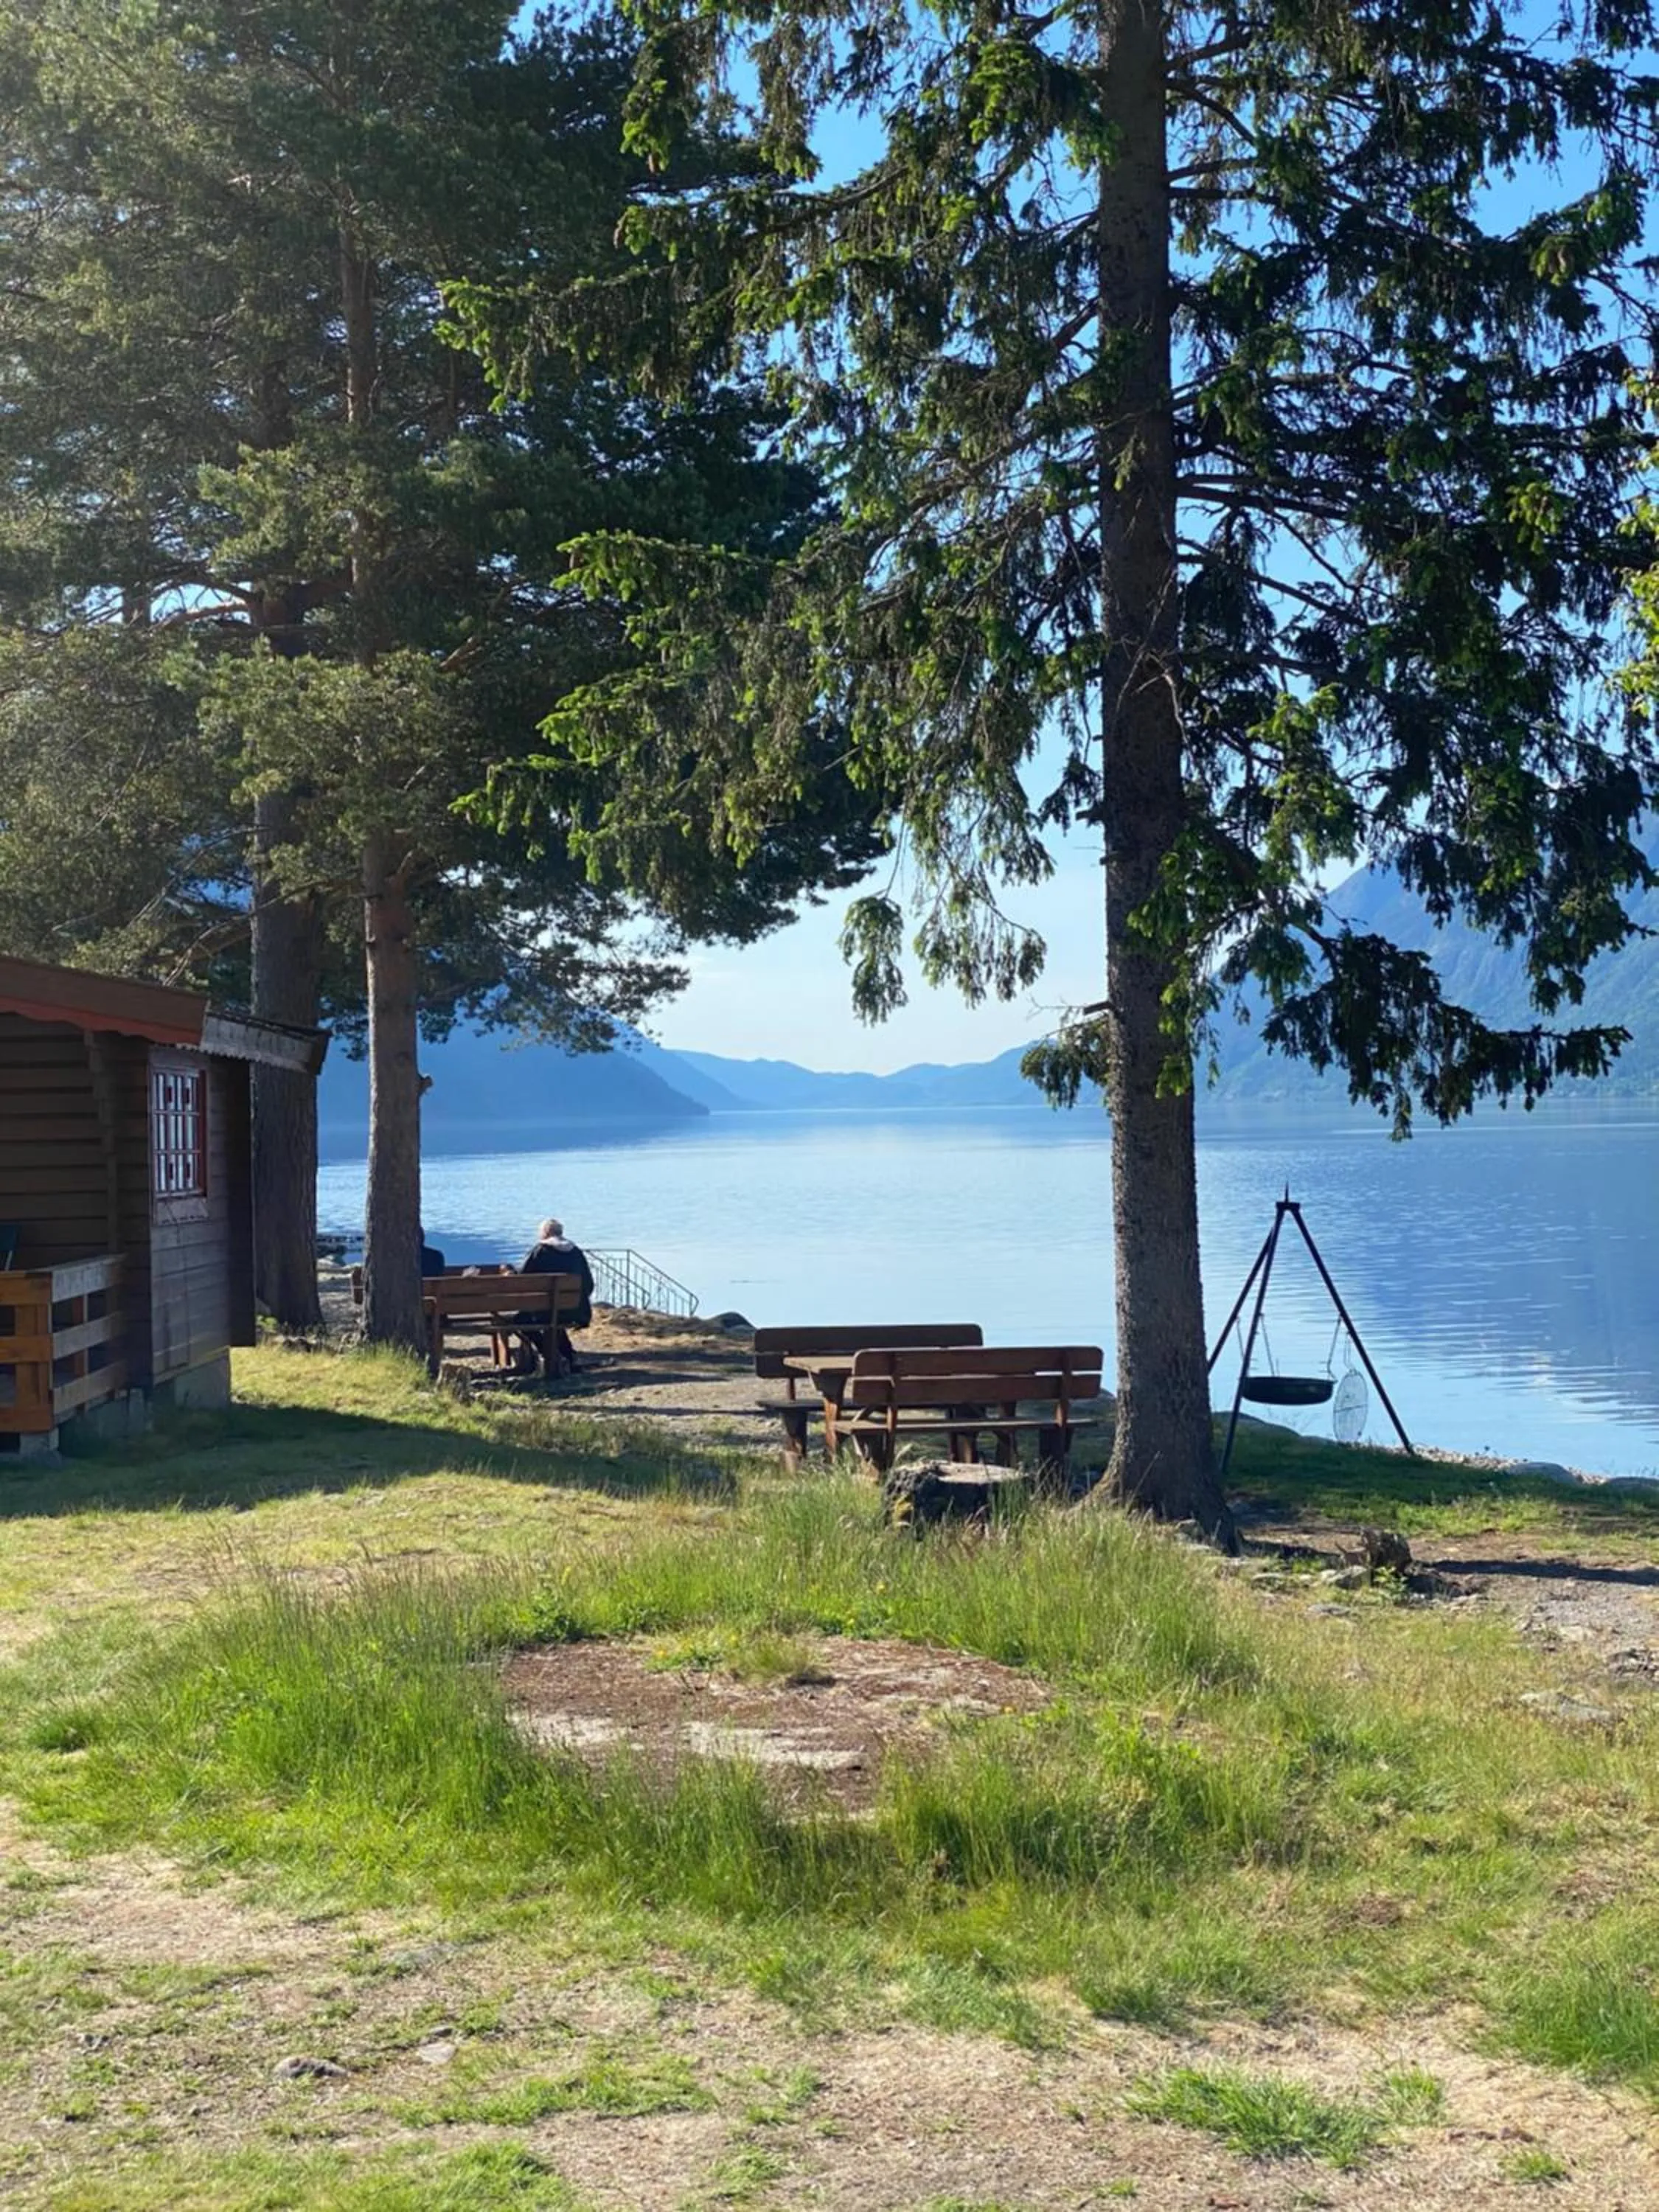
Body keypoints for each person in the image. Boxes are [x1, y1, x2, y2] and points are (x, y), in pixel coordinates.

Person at [516, 1217, 594, 1374]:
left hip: (544, 1312)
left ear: (545, 1233)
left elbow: (521, 1280)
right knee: (555, 1322)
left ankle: (550, 1354)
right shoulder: (576, 1252)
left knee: (520, 1320)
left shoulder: (540, 1251)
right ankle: (569, 1357)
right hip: (575, 1311)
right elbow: (589, 1284)